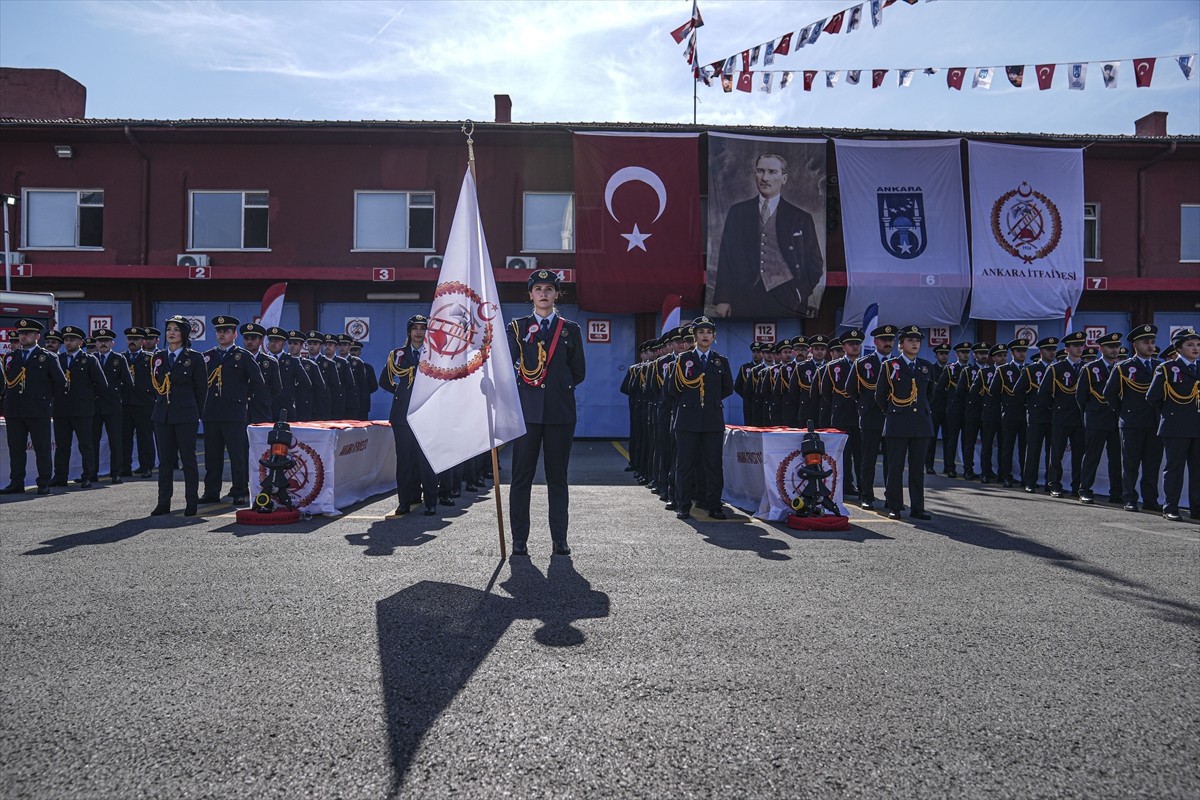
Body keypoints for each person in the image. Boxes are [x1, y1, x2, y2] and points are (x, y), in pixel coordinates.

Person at [507, 270, 587, 556]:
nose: (543, 294)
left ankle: (559, 539)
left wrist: (552, 388)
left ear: (556, 295)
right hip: (526, 413)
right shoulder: (517, 328)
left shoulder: (571, 329)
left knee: (557, 478)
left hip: (559, 413)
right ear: (530, 294)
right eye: (538, 288)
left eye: (549, 289)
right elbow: (505, 367)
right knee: (521, 477)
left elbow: (578, 372)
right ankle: (519, 539)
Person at [711, 153, 824, 318]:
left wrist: (799, 293)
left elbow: (815, 263)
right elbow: (726, 257)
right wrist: (723, 299)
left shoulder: (800, 218)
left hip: (787, 298)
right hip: (744, 297)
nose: (765, 177)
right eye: (760, 171)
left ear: (784, 178)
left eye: (772, 172)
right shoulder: (738, 212)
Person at [668, 316, 734, 520]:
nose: (705, 336)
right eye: (701, 332)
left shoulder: (720, 361)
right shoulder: (683, 359)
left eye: (709, 332)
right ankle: (683, 505)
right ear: (695, 336)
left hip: (712, 419)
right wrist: (693, 402)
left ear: (714, 337)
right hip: (688, 418)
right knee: (685, 464)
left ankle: (714, 505)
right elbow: (673, 389)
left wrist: (709, 402)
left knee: (713, 464)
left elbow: (727, 388)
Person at [198, 315, 265, 506]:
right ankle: (211, 491)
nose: (221, 334)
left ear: (234, 334)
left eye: (226, 331)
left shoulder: (242, 356)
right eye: (219, 331)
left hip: (234, 413)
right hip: (211, 412)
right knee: (212, 455)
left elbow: (258, 382)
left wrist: (242, 396)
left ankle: (240, 490)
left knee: (237, 454)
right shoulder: (208, 356)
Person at [380, 315, 439, 516]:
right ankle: (404, 501)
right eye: (415, 328)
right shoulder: (397, 355)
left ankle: (431, 502)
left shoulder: (435, 354)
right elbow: (384, 381)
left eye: (423, 328)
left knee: (426, 460)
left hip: (426, 414)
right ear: (409, 331)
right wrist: (402, 391)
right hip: (402, 415)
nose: (419, 332)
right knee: (404, 461)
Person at [150, 315, 208, 516]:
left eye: (175, 329)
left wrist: (196, 414)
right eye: (169, 329)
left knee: (188, 460)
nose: (171, 333)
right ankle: (163, 502)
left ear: (184, 334)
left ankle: (191, 501)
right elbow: (155, 387)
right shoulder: (158, 357)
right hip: (162, 415)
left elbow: (202, 390)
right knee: (165, 461)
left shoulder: (194, 358)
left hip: (186, 415)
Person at [875, 325, 935, 521]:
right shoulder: (890, 366)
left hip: (921, 424)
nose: (915, 343)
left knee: (917, 469)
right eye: (910, 340)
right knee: (895, 468)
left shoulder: (926, 366)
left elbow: (930, 395)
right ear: (901, 345)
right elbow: (880, 395)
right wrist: (894, 411)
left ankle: (918, 507)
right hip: (897, 423)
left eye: (917, 340)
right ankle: (894, 506)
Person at [1, 318, 67, 495]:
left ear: (37, 336)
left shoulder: (47, 357)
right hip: (15, 409)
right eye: (21, 334)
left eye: (28, 333)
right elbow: (5, 383)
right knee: (16, 448)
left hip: (38, 409)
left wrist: (45, 398)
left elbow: (61, 382)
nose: (23, 337)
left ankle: (44, 482)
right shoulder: (11, 357)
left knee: (42, 448)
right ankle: (16, 482)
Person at [1103, 325, 1163, 512]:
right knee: (1130, 463)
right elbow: (1109, 393)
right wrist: (1124, 411)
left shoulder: (1160, 367)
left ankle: (1150, 500)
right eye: (1146, 342)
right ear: (1135, 344)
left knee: (1152, 464)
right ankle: (1129, 497)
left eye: (1152, 342)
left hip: (1154, 422)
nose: (1150, 346)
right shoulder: (1124, 367)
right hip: (1132, 422)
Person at [1145, 327, 1199, 521]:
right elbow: (1153, 397)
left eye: (1198, 345)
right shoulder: (1167, 368)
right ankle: (1171, 507)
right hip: (1175, 426)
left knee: (1197, 469)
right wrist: (1170, 414)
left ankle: (1197, 508)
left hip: (1197, 426)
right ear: (1178, 348)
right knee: (1174, 468)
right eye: (1190, 345)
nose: (1195, 348)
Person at [52, 326, 107, 489]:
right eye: (66, 340)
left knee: (86, 444)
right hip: (62, 408)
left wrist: (88, 399)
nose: (68, 343)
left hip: (83, 409)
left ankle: (88, 475)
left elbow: (101, 384)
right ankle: (60, 476)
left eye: (72, 340)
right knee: (62, 445)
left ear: (80, 342)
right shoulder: (58, 359)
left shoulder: (89, 359)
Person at [849, 325, 895, 510]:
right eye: (884, 340)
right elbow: (851, 388)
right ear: (875, 342)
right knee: (868, 459)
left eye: (890, 340)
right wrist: (865, 405)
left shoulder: (897, 363)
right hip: (871, 416)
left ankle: (891, 496)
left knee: (892, 461)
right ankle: (866, 495)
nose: (887, 343)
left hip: (893, 417)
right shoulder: (863, 363)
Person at [1076, 332, 1124, 504]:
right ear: (1101, 348)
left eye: (1117, 346)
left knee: (1116, 458)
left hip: (1115, 418)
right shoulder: (1090, 368)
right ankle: (1085, 490)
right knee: (1092, 456)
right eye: (1111, 347)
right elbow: (1081, 397)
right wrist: (1090, 413)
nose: (1114, 350)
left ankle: (1116, 493)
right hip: (1096, 418)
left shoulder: (1122, 367)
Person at [1039, 330, 1087, 498]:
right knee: (1057, 453)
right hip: (1061, 416)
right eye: (1075, 345)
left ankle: (1077, 486)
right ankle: (1054, 484)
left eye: (1081, 345)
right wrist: (1056, 408)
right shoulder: (1057, 368)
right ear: (1067, 348)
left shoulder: (1086, 367)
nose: (1079, 348)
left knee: (1079, 454)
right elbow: (1044, 393)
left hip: (1079, 417)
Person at [820, 328, 863, 496]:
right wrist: (837, 405)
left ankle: (863, 486)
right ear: (844, 347)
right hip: (841, 415)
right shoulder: (834, 367)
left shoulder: (865, 364)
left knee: (861, 454)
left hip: (861, 415)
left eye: (857, 344)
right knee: (843, 454)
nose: (854, 347)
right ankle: (845, 485)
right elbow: (825, 392)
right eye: (851, 344)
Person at [1016, 336, 1059, 493]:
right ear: (1041, 351)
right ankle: (1030, 481)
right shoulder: (1031, 369)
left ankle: (1050, 482)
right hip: (1036, 415)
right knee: (1033, 450)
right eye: (1049, 350)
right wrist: (1030, 404)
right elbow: (1018, 390)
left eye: (1054, 349)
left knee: (1052, 451)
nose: (1052, 352)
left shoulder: (1058, 368)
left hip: (1054, 415)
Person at [90, 328, 131, 485]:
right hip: (94, 404)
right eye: (100, 341)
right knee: (92, 440)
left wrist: (118, 398)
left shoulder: (118, 359)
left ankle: (116, 473)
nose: (103, 344)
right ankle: (92, 472)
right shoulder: (91, 358)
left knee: (115, 441)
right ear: (96, 343)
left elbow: (128, 382)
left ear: (112, 343)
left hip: (113, 405)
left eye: (106, 341)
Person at [121, 326, 156, 478]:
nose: (132, 342)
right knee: (124, 437)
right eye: (130, 339)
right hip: (125, 403)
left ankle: (146, 466)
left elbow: (156, 381)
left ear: (142, 341)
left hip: (144, 403)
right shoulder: (121, 358)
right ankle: (124, 467)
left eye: (135, 339)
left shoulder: (150, 358)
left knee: (145, 437)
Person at [996, 339, 1030, 488]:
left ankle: (1024, 476)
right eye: (1019, 351)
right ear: (1012, 353)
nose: (1022, 354)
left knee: (1025, 447)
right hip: (1010, 412)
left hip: (1026, 413)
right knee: (1007, 446)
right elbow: (993, 391)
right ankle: (1006, 476)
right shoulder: (1003, 370)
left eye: (1024, 351)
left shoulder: (1029, 369)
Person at [935, 342, 972, 478]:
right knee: (952, 440)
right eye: (962, 352)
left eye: (967, 352)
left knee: (967, 441)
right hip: (953, 408)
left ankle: (968, 469)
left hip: (967, 409)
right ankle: (950, 467)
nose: (965, 355)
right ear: (957, 354)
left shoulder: (972, 369)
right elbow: (939, 389)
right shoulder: (950, 369)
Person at [266, 327, 311, 422]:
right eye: (271, 340)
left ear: (284, 343)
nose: (273, 343)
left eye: (277, 341)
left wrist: (290, 394)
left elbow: (305, 383)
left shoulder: (292, 361)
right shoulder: (262, 360)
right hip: (265, 407)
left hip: (285, 408)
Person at [240, 322, 282, 425]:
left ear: (261, 340)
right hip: (240, 408)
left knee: (261, 439)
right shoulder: (237, 359)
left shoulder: (270, 362)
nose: (249, 341)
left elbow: (276, 387)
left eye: (253, 338)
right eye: (246, 338)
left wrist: (265, 399)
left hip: (262, 409)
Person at [926, 343, 950, 475]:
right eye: (941, 353)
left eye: (946, 353)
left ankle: (948, 466)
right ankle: (929, 465)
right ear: (936, 355)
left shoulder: (952, 369)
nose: (944, 356)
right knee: (931, 439)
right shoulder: (931, 369)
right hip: (934, 408)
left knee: (948, 439)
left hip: (948, 408)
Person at [306, 331, 339, 419]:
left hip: (322, 406)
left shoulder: (329, 364)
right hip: (305, 404)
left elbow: (335, 388)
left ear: (321, 346)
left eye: (315, 343)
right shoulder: (302, 362)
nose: (312, 346)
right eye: (309, 343)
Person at [348, 340, 378, 420]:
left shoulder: (367, 368)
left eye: (356, 350)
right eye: (351, 350)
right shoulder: (345, 366)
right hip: (348, 403)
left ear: (360, 352)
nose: (353, 352)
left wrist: (362, 392)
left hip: (362, 403)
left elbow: (374, 386)